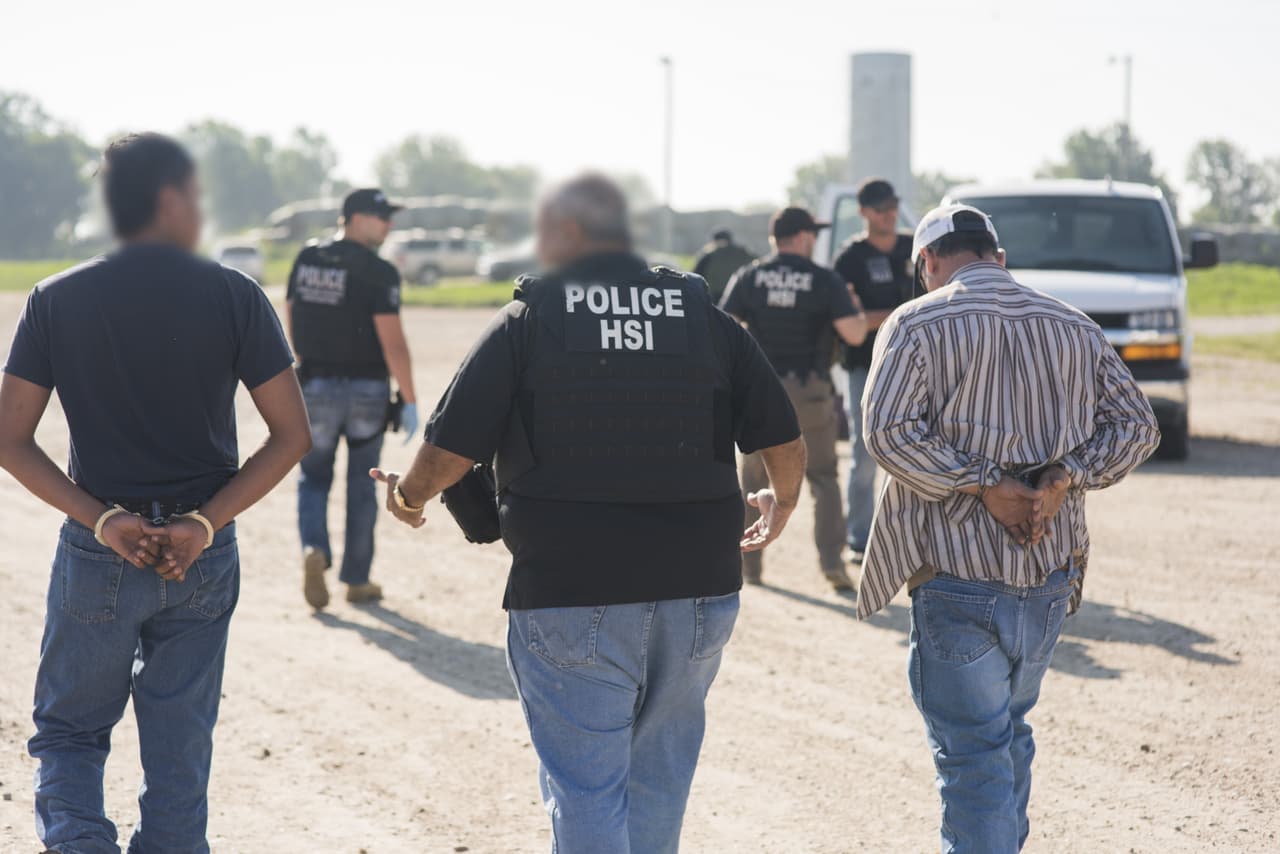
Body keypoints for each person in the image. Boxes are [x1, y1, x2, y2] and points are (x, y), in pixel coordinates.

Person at [370, 173, 807, 853]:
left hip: (572, 590)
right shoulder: (703, 317)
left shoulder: (531, 318)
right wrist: (783, 504)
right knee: (658, 782)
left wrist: (407, 498)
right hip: (699, 589)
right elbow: (782, 438)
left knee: (587, 792)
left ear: (566, 235)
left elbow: (449, 450)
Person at [0, 132, 312, 854]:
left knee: (71, 734)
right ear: (171, 200)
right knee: (179, 748)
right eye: (197, 196)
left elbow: (10, 439)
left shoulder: (58, 298)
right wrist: (204, 524)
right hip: (200, 556)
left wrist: (103, 518)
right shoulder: (236, 294)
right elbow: (291, 435)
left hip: (100, 549)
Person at [857, 203, 1160, 853]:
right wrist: (1064, 476)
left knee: (974, 754)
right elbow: (1138, 426)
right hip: (1049, 570)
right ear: (998, 257)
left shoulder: (916, 321)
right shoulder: (1072, 324)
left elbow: (886, 434)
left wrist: (981, 483)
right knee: (1007, 732)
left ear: (929, 263)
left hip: (957, 577)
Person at [720, 206, 869, 590]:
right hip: (811, 391)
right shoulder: (823, 280)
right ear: (801, 236)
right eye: (814, 234)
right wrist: (855, 306)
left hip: (760, 392)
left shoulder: (750, 276)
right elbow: (853, 334)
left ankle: (746, 566)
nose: (816, 241)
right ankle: (832, 566)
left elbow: (723, 329)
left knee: (752, 480)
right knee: (823, 478)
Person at [286, 188, 419, 609]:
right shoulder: (377, 271)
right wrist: (410, 398)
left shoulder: (307, 259)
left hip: (316, 386)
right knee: (365, 486)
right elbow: (392, 342)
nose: (388, 225)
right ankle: (357, 580)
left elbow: (292, 317)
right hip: (367, 391)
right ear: (356, 218)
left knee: (313, 478)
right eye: (382, 217)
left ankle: (314, 549)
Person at [832, 178, 915, 563]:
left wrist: (875, 318)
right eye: (881, 208)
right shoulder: (850, 258)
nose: (890, 214)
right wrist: (900, 315)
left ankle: (909, 539)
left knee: (918, 449)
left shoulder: (915, 248)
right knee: (865, 454)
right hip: (865, 367)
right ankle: (859, 539)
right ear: (863, 211)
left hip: (916, 364)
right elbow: (848, 322)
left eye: (893, 205)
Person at [693, 227, 755, 303]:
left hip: (714, 299)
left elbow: (695, 277)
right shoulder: (745, 253)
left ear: (714, 240)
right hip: (739, 300)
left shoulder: (709, 255)